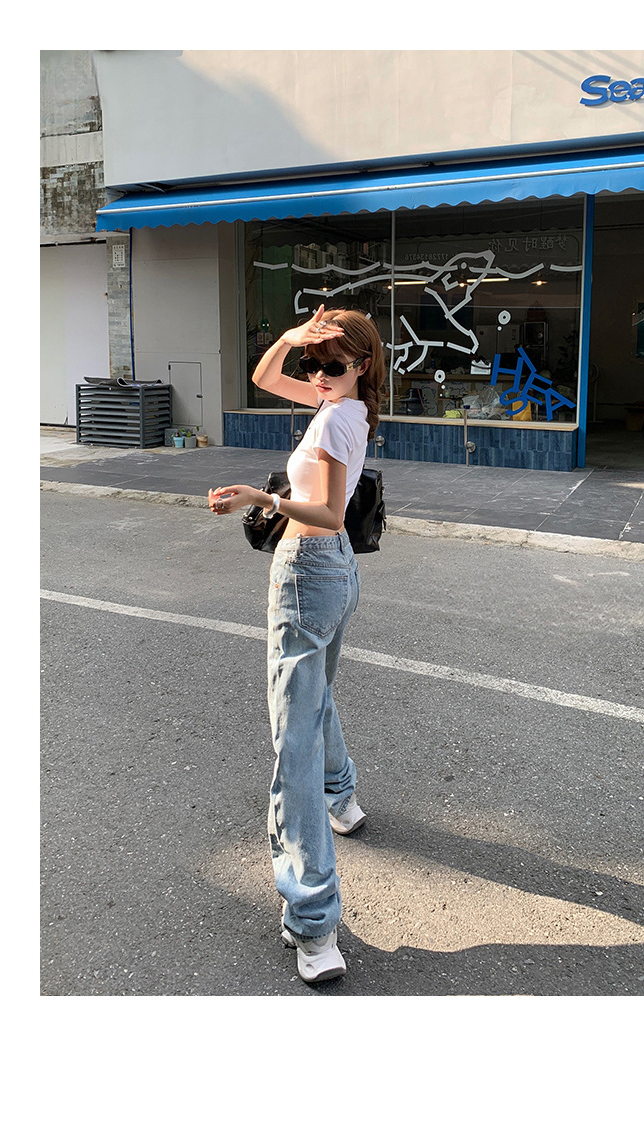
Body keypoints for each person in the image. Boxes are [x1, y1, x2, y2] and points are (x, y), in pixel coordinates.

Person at [208, 306, 385, 984]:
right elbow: (263, 377)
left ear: (361, 365)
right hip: (335, 572)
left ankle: (313, 922)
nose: (315, 374)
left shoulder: (337, 417)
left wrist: (261, 497)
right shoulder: (345, 404)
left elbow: (330, 513)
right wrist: (291, 337)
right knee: (314, 700)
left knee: (294, 746)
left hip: (309, 569)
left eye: (330, 363)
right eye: (311, 363)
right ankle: (343, 797)